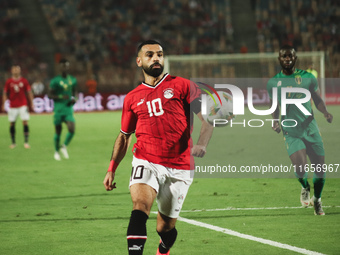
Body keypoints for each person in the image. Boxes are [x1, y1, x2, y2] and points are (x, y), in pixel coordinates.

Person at [103, 40, 213, 255]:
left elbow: (207, 121)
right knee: (140, 206)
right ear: (139, 61)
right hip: (146, 160)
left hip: (180, 166)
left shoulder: (183, 86)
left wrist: (201, 144)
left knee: (165, 228)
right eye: (150, 54)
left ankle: (163, 249)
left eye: (160, 55)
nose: (156, 58)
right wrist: (111, 168)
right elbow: (125, 136)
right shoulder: (132, 98)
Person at [267, 45, 333, 215]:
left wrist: (325, 112)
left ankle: (317, 200)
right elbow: (274, 105)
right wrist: (275, 121)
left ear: (295, 58)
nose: (287, 59)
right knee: (301, 166)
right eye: (284, 56)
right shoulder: (273, 83)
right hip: (291, 130)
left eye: (290, 56)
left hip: (310, 128)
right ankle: (305, 186)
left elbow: (317, 99)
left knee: (319, 168)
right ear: (279, 59)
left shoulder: (308, 78)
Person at [48, 58, 77, 161]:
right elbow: (50, 95)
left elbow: (74, 93)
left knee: (72, 130)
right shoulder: (55, 81)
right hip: (59, 109)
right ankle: (56, 152)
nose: (65, 67)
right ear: (60, 67)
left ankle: (64, 146)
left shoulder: (72, 80)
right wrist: (60, 96)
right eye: (63, 66)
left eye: (67, 65)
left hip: (68, 109)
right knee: (58, 132)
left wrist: (74, 99)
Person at [1, 65, 34, 149]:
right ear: (11, 71)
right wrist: (4, 103)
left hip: (23, 104)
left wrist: (32, 102)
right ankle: (13, 143)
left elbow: (29, 92)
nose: (15, 71)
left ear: (20, 71)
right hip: (12, 106)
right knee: (12, 123)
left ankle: (26, 142)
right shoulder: (9, 82)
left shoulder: (24, 81)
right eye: (14, 70)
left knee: (25, 122)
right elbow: (5, 93)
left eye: (17, 70)